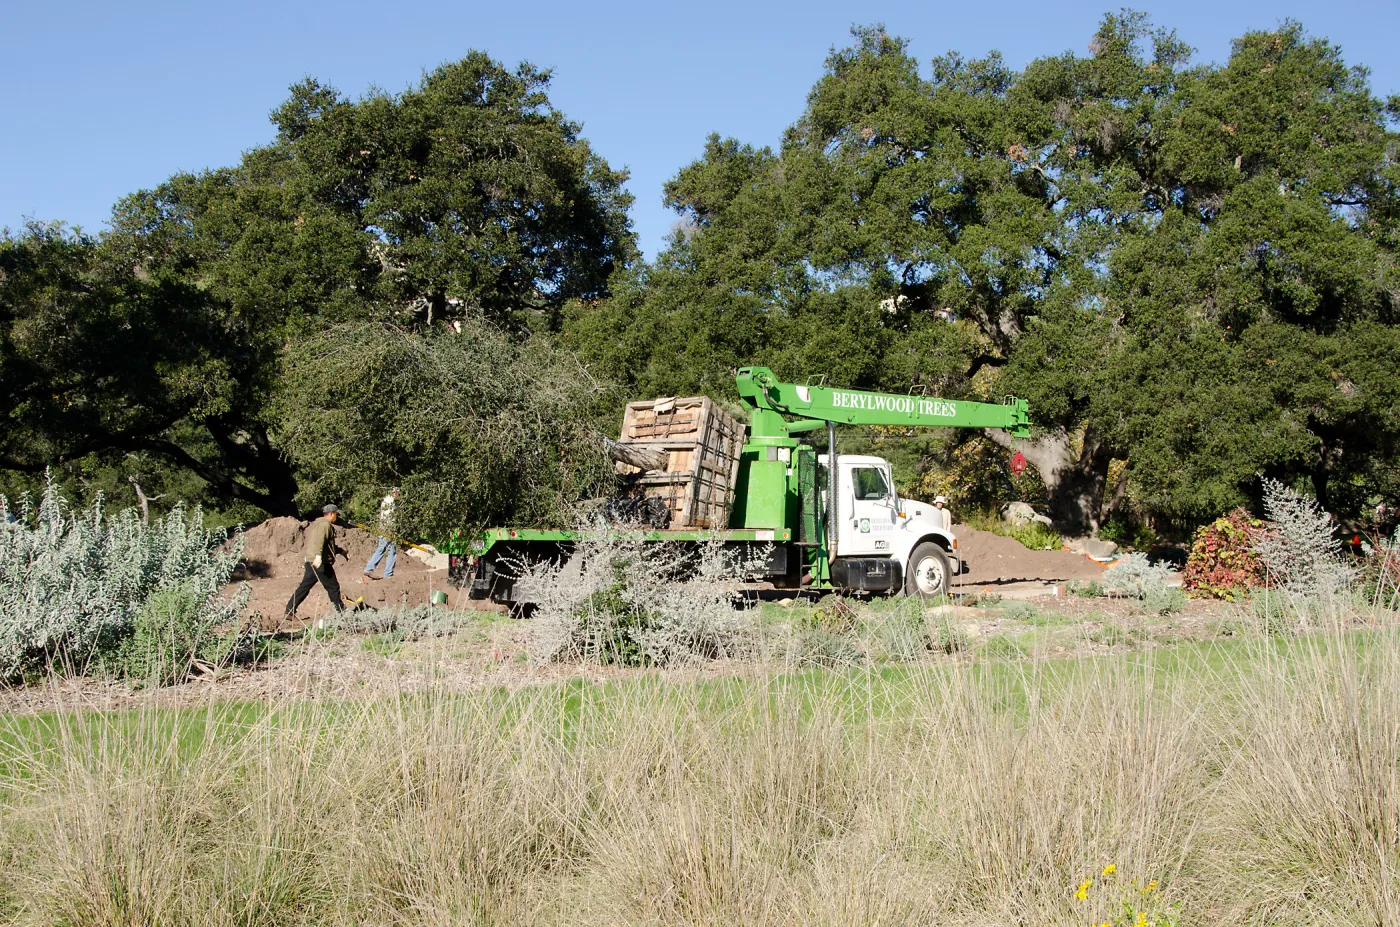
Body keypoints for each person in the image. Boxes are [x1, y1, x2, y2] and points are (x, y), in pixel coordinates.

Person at [284, 504, 346, 619]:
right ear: (331, 514)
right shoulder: (325, 525)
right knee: (333, 587)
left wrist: (340, 551)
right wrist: (318, 556)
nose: (337, 517)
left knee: (305, 586)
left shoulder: (319, 524)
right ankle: (341, 613)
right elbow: (319, 541)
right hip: (321, 562)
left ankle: (289, 611)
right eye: (336, 514)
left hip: (311, 561)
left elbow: (327, 545)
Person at [362, 488, 401, 582]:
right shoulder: (390, 502)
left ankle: (385, 572)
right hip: (388, 529)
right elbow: (389, 517)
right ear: (395, 493)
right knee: (386, 549)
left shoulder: (386, 500)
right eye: (398, 493)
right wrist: (391, 530)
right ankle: (374, 570)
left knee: (389, 549)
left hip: (384, 528)